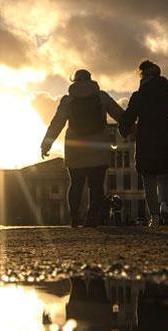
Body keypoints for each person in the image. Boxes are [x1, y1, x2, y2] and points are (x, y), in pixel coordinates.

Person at [41, 69, 124, 228]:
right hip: (98, 148)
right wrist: (132, 130)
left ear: (74, 81)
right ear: (90, 80)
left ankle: (74, 217)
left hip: (75, 149)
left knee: (76, 184)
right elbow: (119, 114)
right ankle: (92, 218)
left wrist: (46, 144)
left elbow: (56, 123)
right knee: (96, 185)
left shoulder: (68, 100)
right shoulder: (101, 97)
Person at [119, 60, 168, 227]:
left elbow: (128, 117)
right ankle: (164, 205)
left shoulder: (139, 96)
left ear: (143, 76)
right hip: (165, 139)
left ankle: (155, 216)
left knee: (149, 179)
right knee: (163, 174)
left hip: (146, 141)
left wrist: (123, 131)